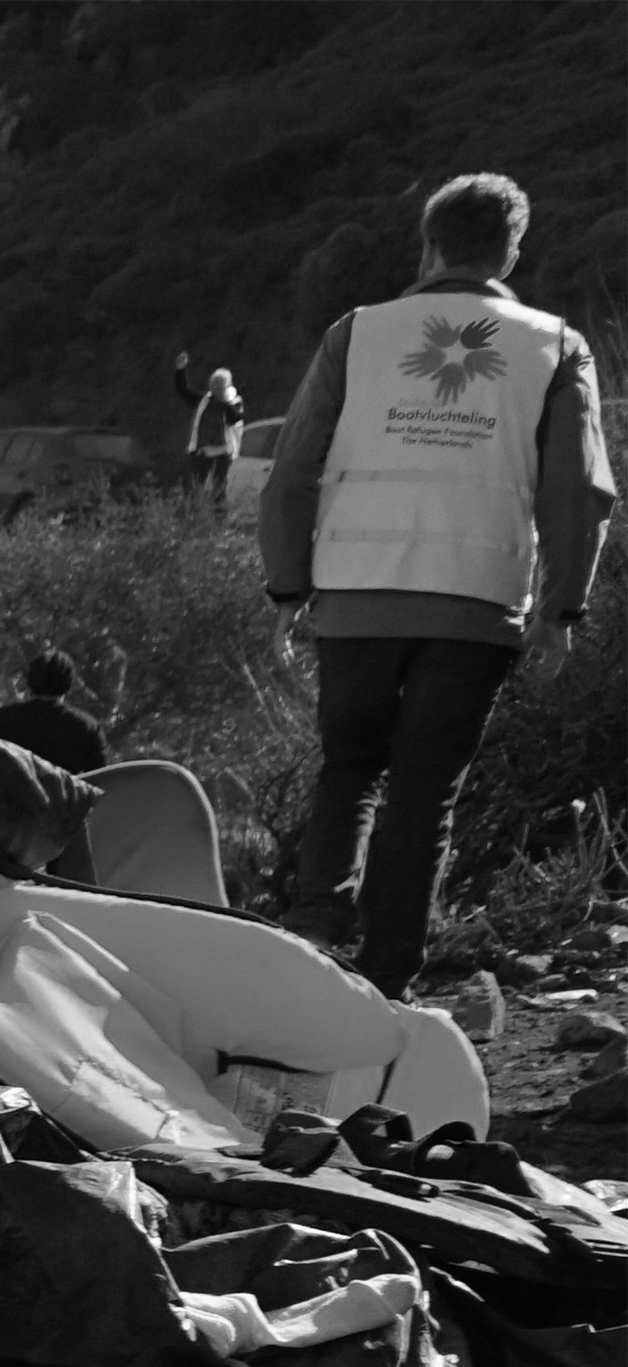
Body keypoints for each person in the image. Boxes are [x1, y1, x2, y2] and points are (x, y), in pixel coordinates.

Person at [260, 172, 616, 1003]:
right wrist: (563, 607)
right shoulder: (556, 347)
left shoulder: (359, 334)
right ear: (513, 250)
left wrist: (287, 588)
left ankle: (315, 928)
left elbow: (291, 475)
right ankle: (386, 983)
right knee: (426, 791)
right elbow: (582, 494)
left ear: (428, 245)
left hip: (352, 596)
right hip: (476, 606)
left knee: (350, 767)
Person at [0, 650, 108, 774]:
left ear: (30, 680)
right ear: (68, 683)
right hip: (62, 796)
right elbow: (99, 781)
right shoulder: (86, 727)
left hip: (10, 795)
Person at [174, 352, 245, 510]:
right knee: (193, 490)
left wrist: (224, 402)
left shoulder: (234, 404)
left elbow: (236, 419)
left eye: (220, 385)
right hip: (201, 453)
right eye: (214, 384)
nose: (216, 388)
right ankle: (194, 520)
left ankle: (218, 523)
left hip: (221, 454)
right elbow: (183, 390)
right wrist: (180, 370)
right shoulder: (203, 401)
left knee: (219, 492)